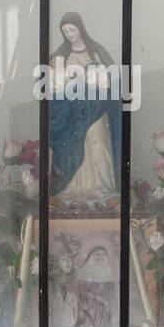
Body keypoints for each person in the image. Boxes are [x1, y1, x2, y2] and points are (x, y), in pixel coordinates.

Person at [48, 11, 121, 206]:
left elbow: (111, 81)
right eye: (65, 31)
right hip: (70, 111)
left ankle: (102, 189)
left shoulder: (96, 51)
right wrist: (69, 79)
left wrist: (90, 77)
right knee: (73, 144)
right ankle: (72, 190)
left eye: (72, 29)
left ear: (80, 28)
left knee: (97, 143)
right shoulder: (60, 56)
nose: (70, 34)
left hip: (95, 109)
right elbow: (51, 85)